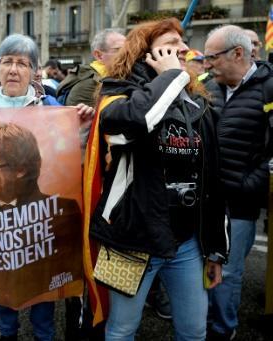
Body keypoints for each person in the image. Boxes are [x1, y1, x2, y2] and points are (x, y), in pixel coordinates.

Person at [90, 18, 229, 340]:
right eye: (171, 42)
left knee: (194, 330)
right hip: (132, 239)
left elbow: (213, 182)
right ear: (145, 54)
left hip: (186, 244)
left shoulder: (199, 105)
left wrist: (217, 249)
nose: (183, 49)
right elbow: (130, 125)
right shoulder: (117, 93)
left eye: (182, 43)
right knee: (122, 329)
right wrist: (170, 76)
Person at [0, 33, 93, 341]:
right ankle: (7, 334)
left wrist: (81, 128)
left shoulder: (51, 106)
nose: (13, 70)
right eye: (7, 62)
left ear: (34, 71)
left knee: (43, 284)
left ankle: (44, 335)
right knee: (3, 281)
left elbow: (69, 155)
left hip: (40, 216)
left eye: (22, 63)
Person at [0, 123, 83, 341]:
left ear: (20, 168)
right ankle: (8, 334)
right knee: (4, 305)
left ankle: (44, 336)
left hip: (42, 284)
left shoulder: (62, 209)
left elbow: (68, 265)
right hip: (1, 286)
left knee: (44, 310)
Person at [203, 25, 273, 340]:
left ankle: (223, 330)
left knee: (228, 273)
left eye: (211, 57)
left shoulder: (269, 87)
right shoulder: (207, 87)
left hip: (240, 205)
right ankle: (204, 325)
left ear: (238, 53)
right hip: (206, 200)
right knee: (205, 269)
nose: (205, 64)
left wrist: (249, 183)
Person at [57, 28, 126, 108]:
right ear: (99, 55)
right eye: (119, 50)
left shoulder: (106, 77)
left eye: (128, 49)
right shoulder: (91, 84)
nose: (128, 54)